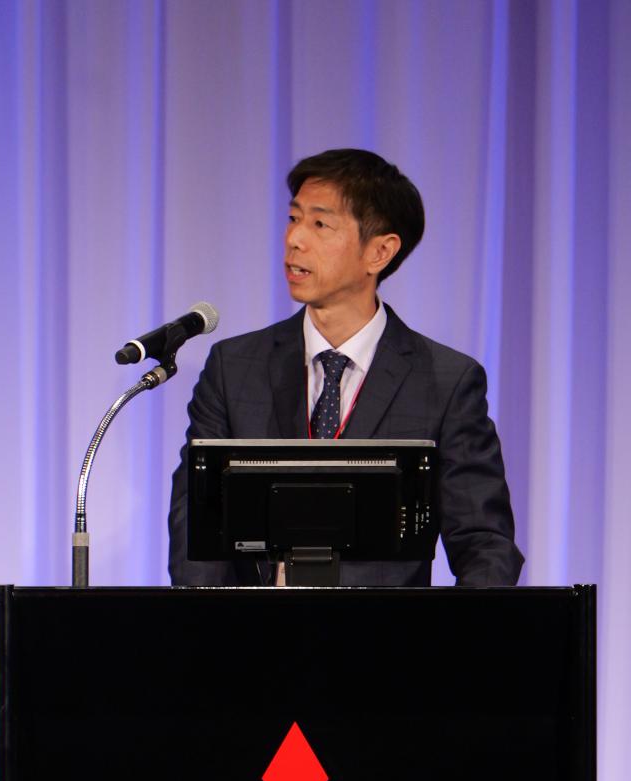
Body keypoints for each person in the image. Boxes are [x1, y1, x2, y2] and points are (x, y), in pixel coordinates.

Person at [167, 148, 524, 587]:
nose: (295, 239)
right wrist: (210, 625)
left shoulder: (446, 381)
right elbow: (196, 527)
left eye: (320, 224)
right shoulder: (233, 367)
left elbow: (483, 543)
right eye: (294, 218)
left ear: (380, 252)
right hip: (256, 628)